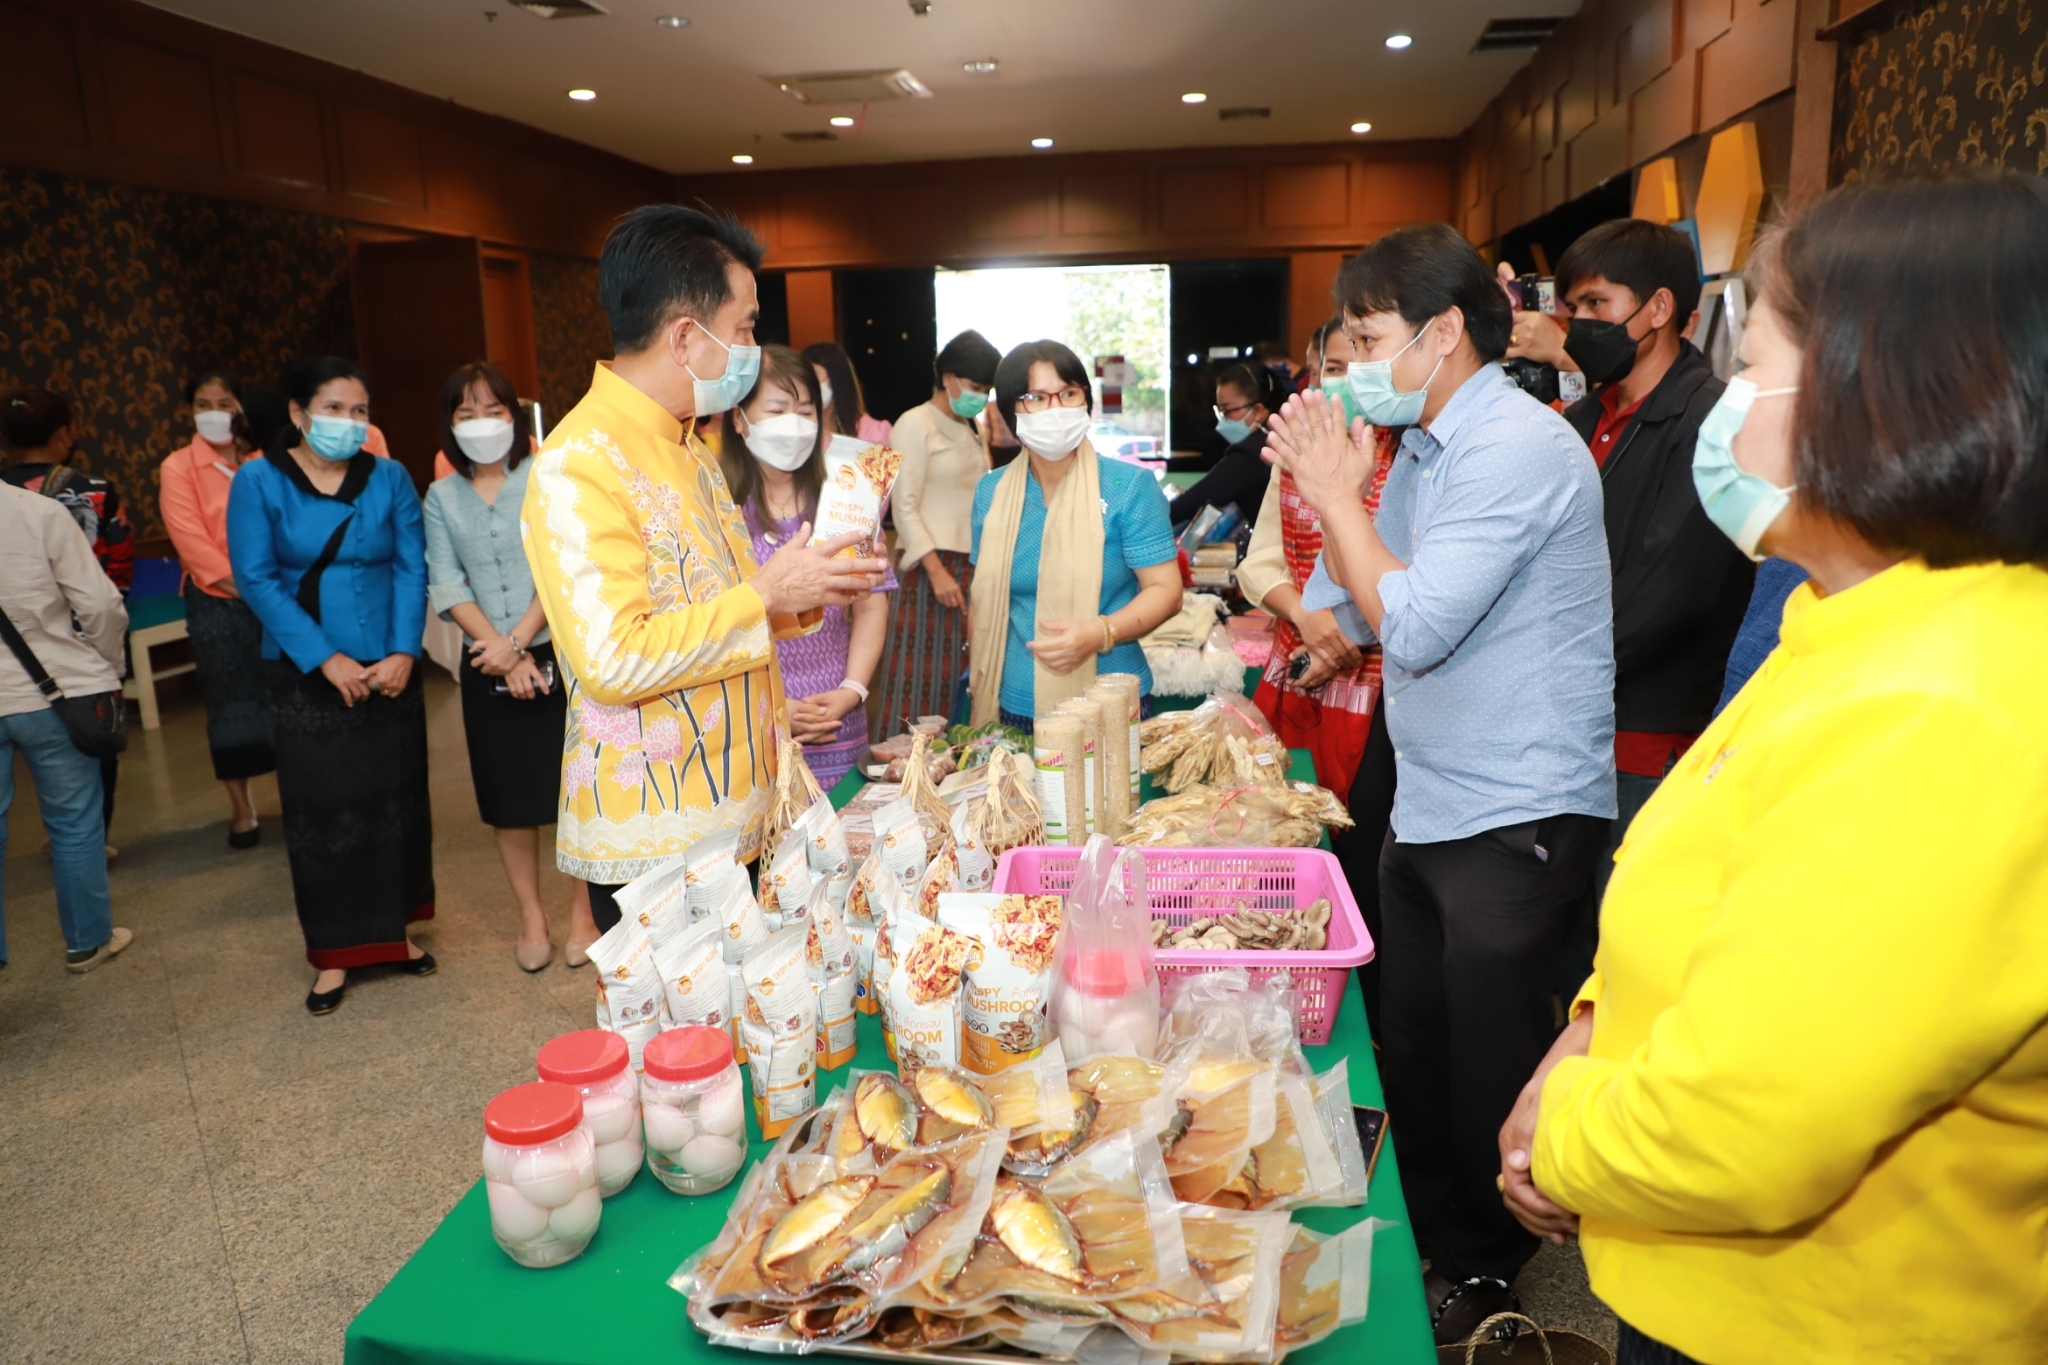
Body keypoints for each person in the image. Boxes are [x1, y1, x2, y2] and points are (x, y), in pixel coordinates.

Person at [1501, 176, 2048, 1365]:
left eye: (1752, 366)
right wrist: (1589, 1027)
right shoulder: (1845, 621)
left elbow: (1738, 1131)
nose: (1726, 406)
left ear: (1890, 398)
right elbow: (1720, 897)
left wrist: (1554, 1132)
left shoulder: (1940, 707)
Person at [1267, 222, 1615, 1341]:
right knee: (1411, 1035)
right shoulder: (1418, 446)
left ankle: (1484, 1274)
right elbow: (1345, 600)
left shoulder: (1512, 445)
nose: (1355, 362)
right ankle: (1430, 1234)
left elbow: (1408, 622)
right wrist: (1322, 537)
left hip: (1517, 802)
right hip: (1429, 791)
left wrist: (1335, 492)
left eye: (1368, 338)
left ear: (1443, 332)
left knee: (1489, 1057)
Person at [521, 205, 887, 933]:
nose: (753, 345)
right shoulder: (579, 462)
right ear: (686, 337)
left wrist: (803, 589)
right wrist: (766, 593)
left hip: (733, 808)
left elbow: (719, 603)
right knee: (683, 1044)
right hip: (659, 835)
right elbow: (614, 658)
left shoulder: (688, 446)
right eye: (746, 327)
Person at [1502, 220, 1756, 996]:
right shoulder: (1588, 416)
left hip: (1644, 735)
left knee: (1622, 963)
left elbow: (1665, 594)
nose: (1577, 323)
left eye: (1596, 302)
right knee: (1558, 955)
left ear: (1656, 309)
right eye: (1572, 306)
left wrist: (1536, 670)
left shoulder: (1709, 422)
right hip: (1566, 732)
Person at [227, 363, 434, 1015]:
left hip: (389, 668)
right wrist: (326, 659)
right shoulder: (258, 481)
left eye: (359, 409)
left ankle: (391, 936)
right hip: (307, 675)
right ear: (298, 412)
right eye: (335, 406)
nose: (350, 421)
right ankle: (333, 957)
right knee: (324, 814)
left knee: (392, 804)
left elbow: (410, 563)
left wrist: (404, 649)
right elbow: (256, 579)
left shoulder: (390, 476)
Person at [1240, 319, 1402, 1035]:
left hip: (1381, 685)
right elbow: (1260, 561)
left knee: (1363, 857)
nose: (1346, 375)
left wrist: (1348, 629)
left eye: (1361, 357)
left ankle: (1357, 1008)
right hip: (1300, 670)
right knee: (1292, 845)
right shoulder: (1295, 452)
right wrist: (1309, 618)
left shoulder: (1405, 450)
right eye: (1333, 362)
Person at [424, 361, 598, 973]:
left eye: (492, 411)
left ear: (514, 417)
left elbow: (565, 566)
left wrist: (520, 641)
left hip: (555, 650)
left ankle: (583, 913)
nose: (481, 424)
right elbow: (444, 580)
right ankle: (531, 914)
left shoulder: (547, 475)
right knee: (508, 797)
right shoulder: (441, 496)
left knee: (577, 790)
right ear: (450, 425)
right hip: (485, 658)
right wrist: (498, 652)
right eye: (465, 414)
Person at [968, 339, 1183, 727]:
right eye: (1035, 397)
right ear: (1010, 411)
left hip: (1110, 700)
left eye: (1068, 393)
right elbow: (984, 598)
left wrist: (1099, 632)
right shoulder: (991, 492)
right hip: (1014, 702)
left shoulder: (1129, 485)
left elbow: (1166, 591)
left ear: (1086, 400)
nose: (1056, 408)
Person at [721, 346, 896, 788]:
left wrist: (851, 691)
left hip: (837, 716)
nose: (794, 425)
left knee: (842, 844)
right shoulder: (717, 508)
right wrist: (776, 703)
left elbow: (872, 602)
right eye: (777, 409)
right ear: (739, 419)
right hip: (751, 723)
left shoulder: (847, 499)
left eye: (805, 411)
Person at [0, 479, 131, 974]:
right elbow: (99, 606)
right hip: (53, 692)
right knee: (74, 821)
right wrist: (106, 665)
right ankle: (88, 941)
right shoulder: (38, 512)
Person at [3, 388, 135, 856]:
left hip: (8, 659)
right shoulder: (93, 490)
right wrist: (108, 658)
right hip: (78, 656)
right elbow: (117, 573)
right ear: (65, 433)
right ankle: (94, 842)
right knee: (87, 751)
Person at [158, 370, 274, 848]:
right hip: (217, 602)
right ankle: (242, 808)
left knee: (289, 697)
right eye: (202, 403)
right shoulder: (179, 466)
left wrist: (273, 592)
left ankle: (301, 792)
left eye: (224, 402)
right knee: (230, 704)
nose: (213, 412)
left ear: (241, 408)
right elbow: (192, 545)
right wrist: (257, 590)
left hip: (278, 597)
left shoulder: (267, 458)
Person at [875, 329, 1000, 733]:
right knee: (919, 682)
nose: (980, 395)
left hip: (968, 565)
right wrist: (936, 570)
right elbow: (903, 507)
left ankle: (951, 772)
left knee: (960, 679)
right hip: (930, 570)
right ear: (948, 377)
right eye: (976, 386)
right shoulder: (915, 423)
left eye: (986, 389)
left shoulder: (970, 426)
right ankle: (902, 775)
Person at [1169, 362, 1279, 533]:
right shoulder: (1275, 439)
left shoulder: (1251, 453)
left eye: (1228, 410)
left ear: (1258, 410)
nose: (1223, 420)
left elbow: (1192, 502)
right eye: (1220, 411)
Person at [801, 340, 893, 447]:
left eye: (814, 377)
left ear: (835, 382)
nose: (807, 385)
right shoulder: (797, 430)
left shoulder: (875, 432)